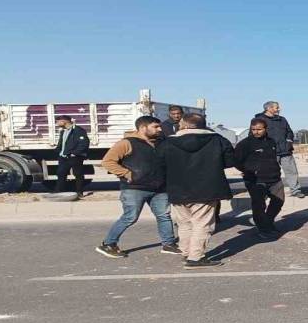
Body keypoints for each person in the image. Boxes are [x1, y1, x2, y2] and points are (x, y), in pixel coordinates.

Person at [158, 112, 235, 268]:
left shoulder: (167, 143)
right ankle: (196, 257)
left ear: (184, 125)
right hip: (207, 188)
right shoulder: (217, 140)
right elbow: (230, 161)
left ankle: (186, 252)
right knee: (202, 224)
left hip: (177, 189)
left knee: (184, 224)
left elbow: (159, 165)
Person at [96, 116, 179, 259]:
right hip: (135, 188)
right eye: (155, 127)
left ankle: (169, 244)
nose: (160, 129)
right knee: (130, 217)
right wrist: (128, 174)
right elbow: (108, 162)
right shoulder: (126, 143)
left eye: (159, 127)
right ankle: (108, 244)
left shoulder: (161, 142)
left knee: (164, 216)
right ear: (142, 128)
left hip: (159, 188)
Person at [234, 118, 284, 238]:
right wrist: (246, 171)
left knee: (278, 201)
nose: (256, 132)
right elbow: (235, 161)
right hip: (255, 180)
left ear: (265, 129)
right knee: (259, 205)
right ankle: (263, 229)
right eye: (253, 129)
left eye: (259, 129)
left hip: (274, 178)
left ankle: (268, 222)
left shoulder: (271, 142)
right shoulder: (245, 144)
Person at [254, 101, 304, 198]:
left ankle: (295, 190)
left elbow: (289, 132)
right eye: (277, 107)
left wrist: (289, 141)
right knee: (268, 173)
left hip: (285, 151)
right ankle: (265, 193)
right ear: (269, 108)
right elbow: (254, 135)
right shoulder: (258, 120)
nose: (279, 109)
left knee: (292, 171)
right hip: (269, 153)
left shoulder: (282, 119)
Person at [54, 114, 90, 197]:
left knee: (78, 174)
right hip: (63, 157)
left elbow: (84, 143)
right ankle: (59, 191)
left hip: (74, 157)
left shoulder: (78, 130)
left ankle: (79, 192)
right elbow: (62, 144)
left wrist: (74, 153)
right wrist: (58, 151)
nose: (57, 123)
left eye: (58, 121)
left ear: (64, 121)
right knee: (61, 173)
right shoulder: (63, 131)